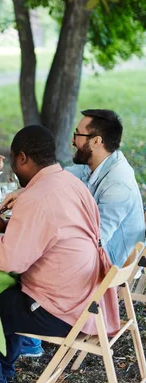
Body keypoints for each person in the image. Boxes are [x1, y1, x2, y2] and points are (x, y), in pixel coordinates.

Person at [0, 125, 119, 383]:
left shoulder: (36, 196)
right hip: (85, 296)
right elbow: (52, 234)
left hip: (61, 309)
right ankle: (3, 374)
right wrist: (8, 226)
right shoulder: (71, 183)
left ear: (22, 158)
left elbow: (10, 261)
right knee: (5, 299)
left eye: (14, 161)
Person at [66, 109, 145, 267]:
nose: (73, 141)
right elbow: (60, 177)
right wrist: (30, 189)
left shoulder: (118, 185)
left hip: (109, 267)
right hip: (92, 254)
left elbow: (96, 240)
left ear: (96, 141)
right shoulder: (98, 162)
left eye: (77, 135)